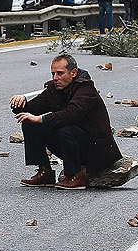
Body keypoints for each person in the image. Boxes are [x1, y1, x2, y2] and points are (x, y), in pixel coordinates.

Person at [11, 54, 122, 190]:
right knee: (29, 122)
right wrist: (20, 102)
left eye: (60, 73)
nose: (55, 78)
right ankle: (45, 172)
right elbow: (33, 108)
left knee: (65, 127)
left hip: (94, 149)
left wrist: (41, 119)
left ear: (73, 73)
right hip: (70, 144)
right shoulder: (55, 88)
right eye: (53, 74)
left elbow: (71, 114)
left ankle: (75, 176)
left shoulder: (86, 89)